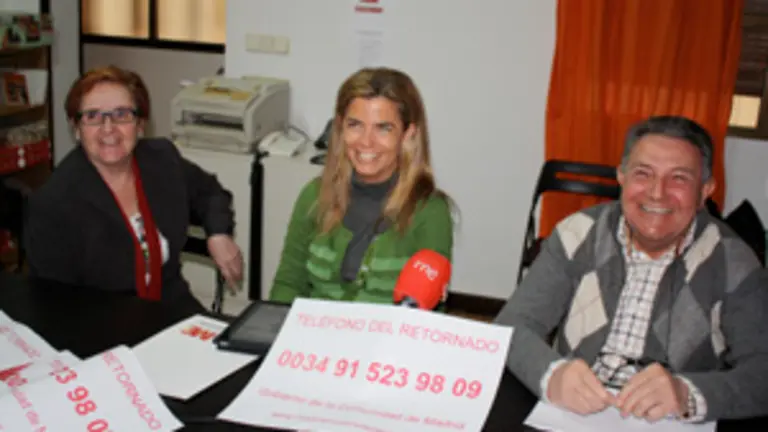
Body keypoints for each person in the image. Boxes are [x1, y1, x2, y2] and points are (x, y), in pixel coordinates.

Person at [495, 116, 768, 423]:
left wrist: (688, 394)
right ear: (621, 177)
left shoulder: (734, 262)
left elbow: (762, 371)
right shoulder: (577, 234)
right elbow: (512, 325)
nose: (657, 192)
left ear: (705, 190)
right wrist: (552, 374)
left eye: (679, 178)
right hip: (569, 416)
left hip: (669, 422)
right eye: (643, 173)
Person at [25, 66, 243, 303]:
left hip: (170, 306)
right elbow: (56, 304)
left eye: (121, 114)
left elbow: (210, 192)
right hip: (97, 322)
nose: (108, 129)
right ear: (77, 129)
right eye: (93, 116)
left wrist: (219, 233)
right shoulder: (53, 204)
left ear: (140, 124)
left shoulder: (162, 160)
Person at [268, 67, 454, 305]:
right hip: (313, 335)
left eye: (383, 128)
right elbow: (288, 284)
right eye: (355, 125)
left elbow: (427, 314)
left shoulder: (430, 212)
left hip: (388, 340)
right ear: (340, 127)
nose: (366, 142)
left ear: (408, 134)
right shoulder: (314, 196)